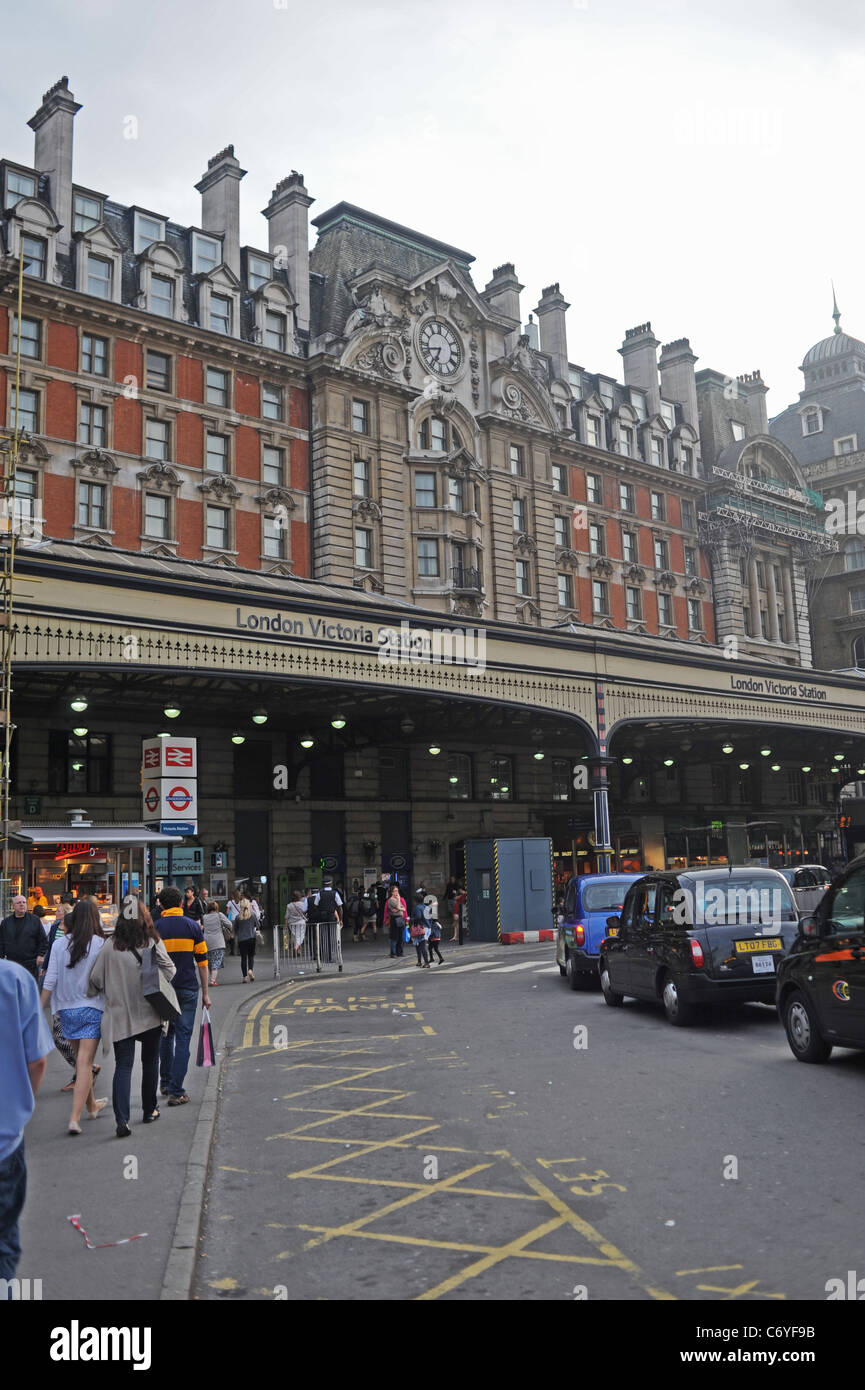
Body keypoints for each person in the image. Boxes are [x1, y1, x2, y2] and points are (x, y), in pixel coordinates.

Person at [88, 899, 176, 1137]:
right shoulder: (151, 942)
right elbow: (171, 970)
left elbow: (94, 981)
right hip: (149, 1013)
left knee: (123, 1066)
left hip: (120, 1017)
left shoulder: (110, 946)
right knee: (150, 1063)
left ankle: (122, 1121)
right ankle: (150, 1111)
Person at [0, 957, 53, 1282]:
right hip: (4, 1144)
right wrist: (20, 1107)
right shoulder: (14, 979)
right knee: (3, 1246)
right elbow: (37, 1063)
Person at [40, 899, 108, 1134]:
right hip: (92, 1008)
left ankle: (92, 1106)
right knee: (85, 1063)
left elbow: (50, 980)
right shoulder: (100, 944)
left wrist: (39, 1008)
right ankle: (74, 1118)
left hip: (65, 1010)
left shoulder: (59, 945)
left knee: (82, 1063)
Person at [155, 886, 210, 1106]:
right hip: (188, 989)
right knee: (183, 1039)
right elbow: (203, 964)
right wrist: (205, 993)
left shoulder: (155, 929)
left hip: (163, 991)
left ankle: (166, 1082)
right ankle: (177, 1091)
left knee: (166, 1036)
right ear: (180, 904)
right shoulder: (193, 927)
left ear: (161, 904)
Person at [0, 896, 49, 980]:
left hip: (30, 963)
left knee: (29, 989)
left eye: (24, 902)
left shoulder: (35, 920)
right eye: (19, 903)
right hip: (11, 963)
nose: (22, 905)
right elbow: (1, 942)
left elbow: (43, 940)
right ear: (13, 906)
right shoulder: (6, 922)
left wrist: (41, 955)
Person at [307, 879, 343, 963]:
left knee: (322, 936)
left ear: (323, 885)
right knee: (331, 936)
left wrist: (322, 909)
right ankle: (330, 956)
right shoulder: (335, 893)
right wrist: (340, 919)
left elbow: (316, 905)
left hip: (322, 916)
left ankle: (322, 955)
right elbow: (340, 907)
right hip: (331, 916)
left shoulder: (320, 893)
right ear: (330, 884)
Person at [202, 898, 231, 986]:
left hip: (207, 942)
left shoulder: (204, 917)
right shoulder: (220, 915)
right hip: (218, 942)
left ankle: (212, 978)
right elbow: (229, 924)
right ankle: (212, 980)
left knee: (210, 962)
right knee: (216, 962)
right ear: (216, 908)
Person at [234, 896, 258, 981]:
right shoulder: (253, 915)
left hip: (241, 940)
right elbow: (257, 925)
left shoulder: (237, 917)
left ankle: (244, 977)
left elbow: (236, 929)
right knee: (251, 956)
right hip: (251, 938)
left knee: (243, 958)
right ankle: (250, 970)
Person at [384, 883, 408, 959]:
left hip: (400, 918)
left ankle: (399, 952)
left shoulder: (399, 899)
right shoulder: (391, 900)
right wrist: (398, 902)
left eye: (397, 891)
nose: (396, 892)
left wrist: (398, 908)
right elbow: (398, 907)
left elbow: (403, 908)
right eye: (395, 891)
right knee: (394, 937)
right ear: (391, 892)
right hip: (394, 919)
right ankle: (393, 953)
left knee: (400, 936)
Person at [410, 890, 431, 968]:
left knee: (421, 945)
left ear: (415, 901)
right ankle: (419, 961)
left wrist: (411, 919)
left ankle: (426, 962)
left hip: (420, 928)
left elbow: (418, 917)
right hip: (427, 927)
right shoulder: (426, 907)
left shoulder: (417, 908)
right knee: (420, 945)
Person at [284, 891, 307, 955]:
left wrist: (286, 926)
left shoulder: (289, 905)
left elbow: (286, 916)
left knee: (295, 937)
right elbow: (305, 913)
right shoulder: (302, 904)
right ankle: (296, 947)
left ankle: (298, 951)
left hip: (292, 923)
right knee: (301, 936)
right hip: (301, 923)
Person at [425, 893, 445, 965]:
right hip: (436, 935)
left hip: (434, 936)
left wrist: (429, 935)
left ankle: (439, 958)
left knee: (434, 948)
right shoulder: (434, 912)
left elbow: (432, 928)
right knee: (431, 948)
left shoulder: (432, 913)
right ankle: (433, 958)